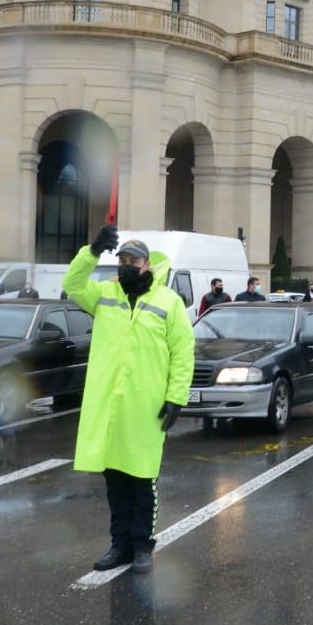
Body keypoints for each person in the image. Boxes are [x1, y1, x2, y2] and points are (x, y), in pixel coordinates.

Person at [64, 226, 194, 575]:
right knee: (116, 483)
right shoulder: (105, 295)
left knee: (142, 482)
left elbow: (183, 353)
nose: (125, 265)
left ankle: (141, 547)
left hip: (145, 409)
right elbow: (73, 285)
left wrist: (175, 398)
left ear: (147, 264)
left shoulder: (169, 302)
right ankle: (119, 545)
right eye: (121, 260)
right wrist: (90, 252)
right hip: (110, 409)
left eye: (132, 260)